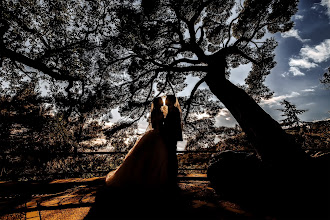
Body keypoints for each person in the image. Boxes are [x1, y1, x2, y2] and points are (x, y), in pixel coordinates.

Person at [105, 97, 169, 188]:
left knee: (155, 158)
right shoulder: (155, 112)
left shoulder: (160, 111)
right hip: (156, 135)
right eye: (161, 102)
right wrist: (160, 127)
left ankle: (154, 179)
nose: (162, 103)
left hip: (159, 135)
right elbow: (154, 124)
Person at [163, 95, 183, 187]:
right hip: (169, 136)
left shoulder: (174, 111)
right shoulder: (171, 110)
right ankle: (170, 175)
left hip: (171, 136)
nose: (165, 101)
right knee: (170, 155)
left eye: (167, 99)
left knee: (171, 154)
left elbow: (173, 125)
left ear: (170, 101)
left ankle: (172, 175)